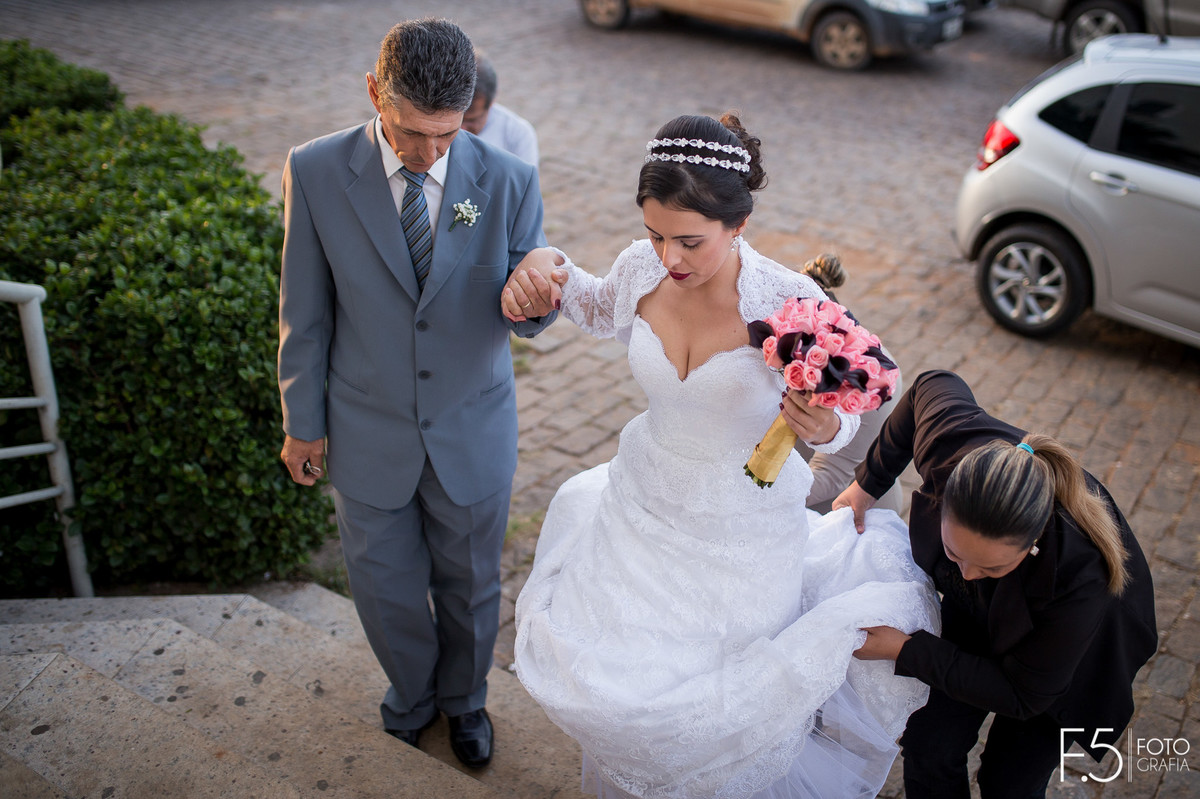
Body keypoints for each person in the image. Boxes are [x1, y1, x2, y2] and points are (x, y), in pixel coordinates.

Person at [506, 113, 940, 798]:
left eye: (689, 241)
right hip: (641, 512)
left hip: (739, 540)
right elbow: (592, 306)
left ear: (738, 224)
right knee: (626, 689)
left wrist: (825, 426)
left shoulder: (791, 302)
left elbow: (850, 419)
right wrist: (544, 261)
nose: (669, 259)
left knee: (713, 712)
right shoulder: (640, 267)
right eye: (655, 234)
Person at [275, 18, 557, 769]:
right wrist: (302, 421)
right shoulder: (314, 169)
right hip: (365, 427)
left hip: (471, 428)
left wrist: (535, 298)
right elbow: (304, 310)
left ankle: (465, 701)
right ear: (375, 93)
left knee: (471, 584)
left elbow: (531, 296)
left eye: (448, 134)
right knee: (383, 584)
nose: (431, 154)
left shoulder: (507, 178)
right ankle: (410, 695)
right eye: (411, 133)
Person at [838, 369, 1157, 798]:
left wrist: (905, 650)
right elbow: (928, 386)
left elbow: (1023, 695)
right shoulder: (950, 445)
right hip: (980, 615)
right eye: (954, 554)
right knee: (929, 747)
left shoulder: (1081, 578)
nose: (967, 575)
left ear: (1032, 545)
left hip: (1071, 659)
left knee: (1009, 782)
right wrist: (866, 484)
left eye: (990, 568)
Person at [793, 254, 904, 515]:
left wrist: (753, 494)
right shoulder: (791, 354)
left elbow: (831, 475)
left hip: (843, 512)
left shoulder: (874, 376)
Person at [461, 50, 539, 167]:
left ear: (491, 103)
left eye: (472, 120)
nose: (461, 128)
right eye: (457, 118)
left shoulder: (518, 134)